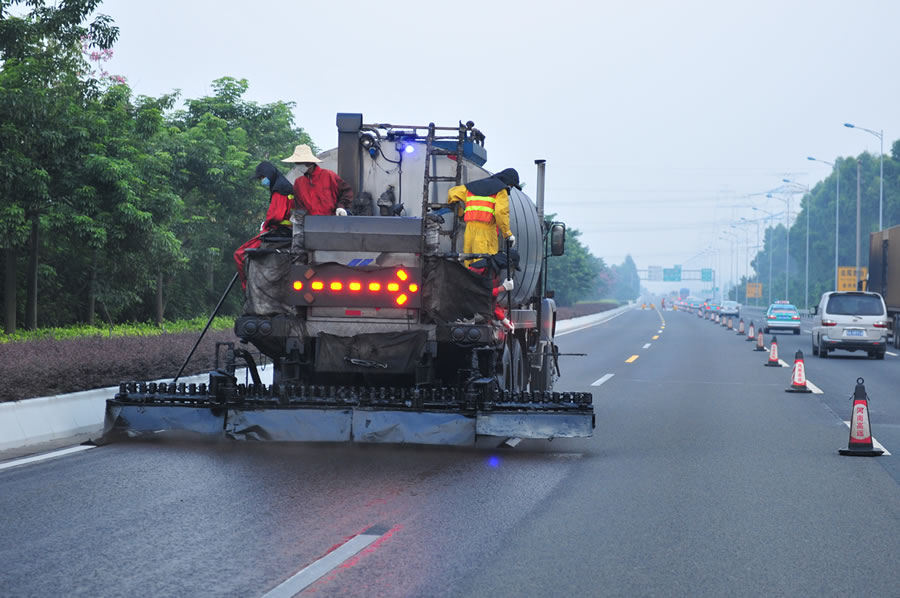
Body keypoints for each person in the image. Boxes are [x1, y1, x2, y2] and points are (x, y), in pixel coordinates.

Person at [234, 161, 296, 289]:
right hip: (287, 229)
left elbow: (277, 215)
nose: (262, 181)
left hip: (281, 230)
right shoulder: (283, 185)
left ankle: (246, 287)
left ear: (268, 174)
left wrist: (265, 225)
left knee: (239, 254)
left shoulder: (280, 189)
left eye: (262, 177)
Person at [447, 168, 519, 264]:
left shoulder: (471, 187)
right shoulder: (501, 191)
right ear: (508, 182)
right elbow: (500, 213)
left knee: (469, 264)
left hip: (469, 231)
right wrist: (507, 234)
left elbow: (452, 193)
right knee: (483, 265)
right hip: (486, 233)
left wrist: (461, 213)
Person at [281, 144, 353, 216]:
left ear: (309, 162)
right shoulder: (298, 183)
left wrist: (341, 207)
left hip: (332, 221)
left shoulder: (329, 175)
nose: (297, 166)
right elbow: (299, 206)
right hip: (311, 223)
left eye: (299, 163)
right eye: (296, 163)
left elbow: (347, 191)